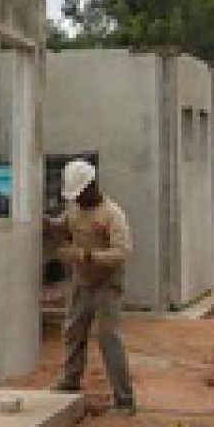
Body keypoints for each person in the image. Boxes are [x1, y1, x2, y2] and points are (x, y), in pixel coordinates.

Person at [49, 158, 137, 413]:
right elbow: (64, 224)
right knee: (73, 330)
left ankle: (124, 399)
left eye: (80, 193)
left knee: (109, 338)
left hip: (107, 282)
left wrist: (88, 256)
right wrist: (49, 225)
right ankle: (70, 381)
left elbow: (122, 252)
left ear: (92, 186)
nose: (77, 198)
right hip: (82, 280)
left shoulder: (112, 214)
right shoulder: (75, 208)